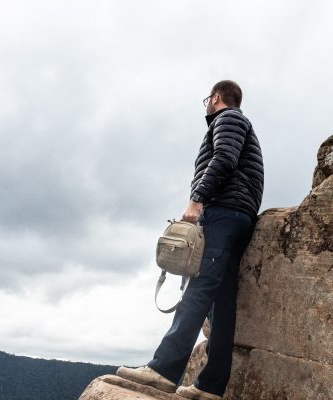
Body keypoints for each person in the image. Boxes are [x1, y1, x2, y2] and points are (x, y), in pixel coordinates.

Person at [117, 80, 264, 400]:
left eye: (206, 101)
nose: (207, 107)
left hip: (224, 212)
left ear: (215, 98)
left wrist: (197, 200)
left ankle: (163, 370)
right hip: (240, 215)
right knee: (220, 303)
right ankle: (211, 386)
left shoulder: (229, 118)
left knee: (198, 289)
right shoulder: (239, 124)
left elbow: (224, 158)